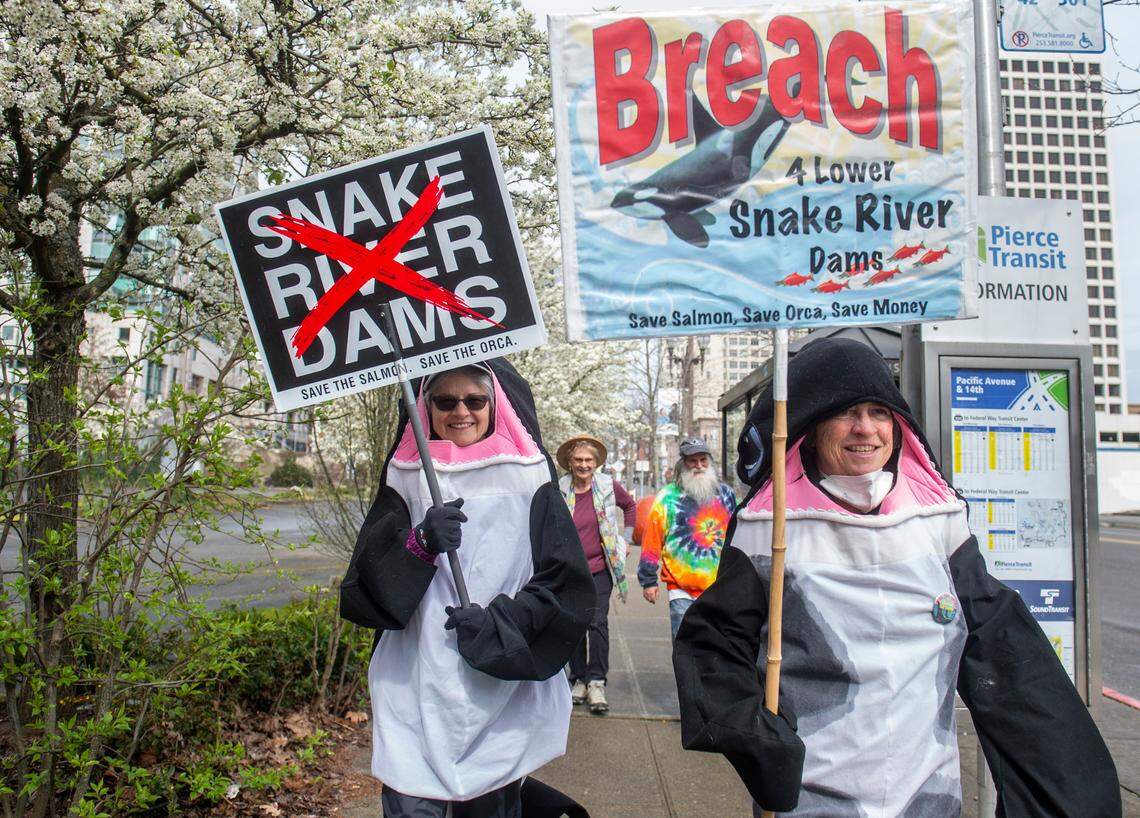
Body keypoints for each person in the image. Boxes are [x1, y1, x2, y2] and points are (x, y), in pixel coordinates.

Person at [673, 337, 1121, 816]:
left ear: (898, 425)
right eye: (844, 412)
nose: (865, 428)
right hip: (813, 795)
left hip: (927, 793)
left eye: (878, 412)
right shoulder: (770, 530)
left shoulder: (938, 522)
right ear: (812, 427)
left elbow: (1005, 656)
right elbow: (713, 647)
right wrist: (762, 747)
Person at [339, 360, 595, 818]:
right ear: (425, 407)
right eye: (445, 401)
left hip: (497, 697)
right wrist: (417, 545)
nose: (461, 412)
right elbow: (364, 590)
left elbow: (566, 586)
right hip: (414, 686)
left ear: (494, 406)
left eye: (475, 400)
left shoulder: (529, 477)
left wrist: (501, 623)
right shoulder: (404, 478)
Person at [556, 435, 635, 714]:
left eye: (588, 460)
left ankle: (597, 680)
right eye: (578, 460)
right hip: (570, 569)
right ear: (569, 462)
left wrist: (625, 539)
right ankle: (578, 677)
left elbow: (630, 506)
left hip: (600, 568)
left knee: (597, 621)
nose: (583, 464)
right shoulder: (560, 488)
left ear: (596, 463)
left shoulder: (607, 486)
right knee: (574, 622)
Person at [637, 437, 737, 639]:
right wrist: (648, 581)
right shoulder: (667, 497)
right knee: (685, 649)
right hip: (680, 590)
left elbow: (736, 537)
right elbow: (652, 541)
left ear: (710, 462)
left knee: (716, 649)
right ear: (683, 464)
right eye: (692, 461)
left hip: (719, 588)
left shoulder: (726, 495)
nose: (698, 466)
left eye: (703, 460)